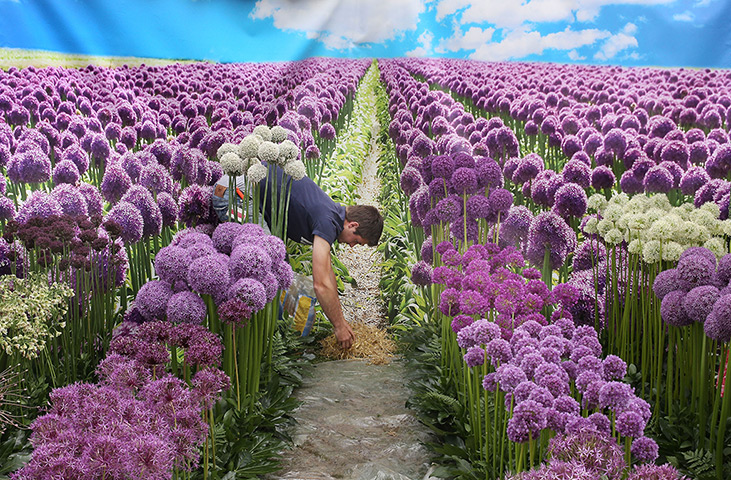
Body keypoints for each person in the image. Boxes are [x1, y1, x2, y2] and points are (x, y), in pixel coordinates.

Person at [212, 165, 383, 349]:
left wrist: (340, 319)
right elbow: (321, 284)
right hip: (234, 195)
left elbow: (328, 273)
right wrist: (339, 327)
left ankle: (275, 338)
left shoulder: (331, 214)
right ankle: (273, 343)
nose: (351, 246)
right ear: (353, 225)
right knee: (272, 271)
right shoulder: (327, 220)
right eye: (356, 241)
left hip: (237, 189)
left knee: (279, 268)